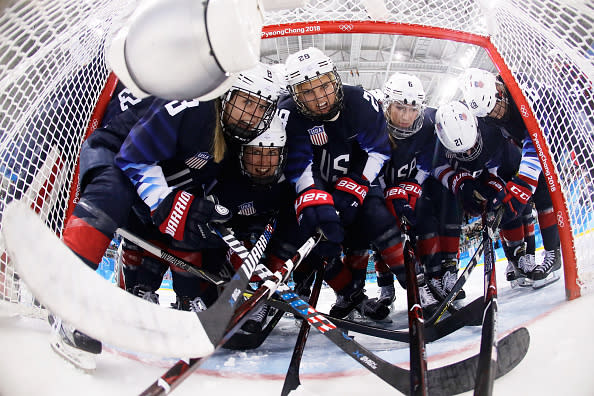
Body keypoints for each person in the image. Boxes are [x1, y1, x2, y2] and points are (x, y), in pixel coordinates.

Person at [55, 62, 282, 366]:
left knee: (194, 230)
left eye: (260, 106)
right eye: (246, 101)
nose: (251, 114)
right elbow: (133, 158)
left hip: (157, 186)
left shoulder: (236, 137)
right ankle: (66, 299)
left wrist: (205, 212)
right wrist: (166, 203)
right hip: (118, 158)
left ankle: (182, 298)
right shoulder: (195, 102)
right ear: (228, 94)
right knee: (113, 191)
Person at [279, 47, 394, 321]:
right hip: (306, 184)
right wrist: (312, 197)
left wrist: (357, 184)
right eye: (308, 91)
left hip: (343, 181)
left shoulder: (359, 102)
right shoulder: (286, 113)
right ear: (295, 95)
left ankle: (350, 293)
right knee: (308, 230)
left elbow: (378, 150)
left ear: (335, 79)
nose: (319, 98)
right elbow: (296, 166)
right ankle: (306, 285)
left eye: (325, 86)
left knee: (356, 231)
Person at [461, 68, 562, 287]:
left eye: (496, 107)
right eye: (490, 113)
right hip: (526, 144)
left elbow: (536, 139)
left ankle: (554, 254)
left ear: (499, 90)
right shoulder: (489, 114)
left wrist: (522, 184)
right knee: (522, 196)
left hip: (557, 133)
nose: (496, 115)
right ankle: (522, 259)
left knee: (543, 189)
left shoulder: (523, 95)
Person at [376, 72, 458, 315]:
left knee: (426, 216)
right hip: (381, 188)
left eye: (412, 110)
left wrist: (415, 186)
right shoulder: (374, 124)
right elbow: (368, 162)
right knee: (381, 228)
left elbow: (427, 161)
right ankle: (386, 286)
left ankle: (433, 278)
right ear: (387, 104)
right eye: (400, 108)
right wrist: (385, 190)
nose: (406, 117)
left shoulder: (429, 123)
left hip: (410, 184)